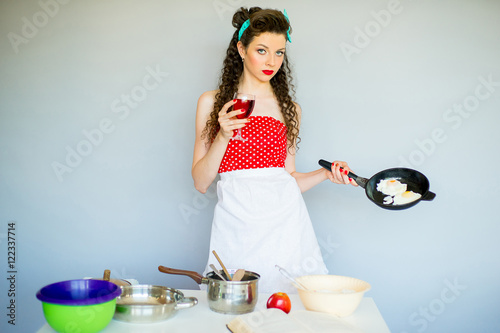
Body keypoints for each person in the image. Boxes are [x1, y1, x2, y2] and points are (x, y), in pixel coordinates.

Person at [192, 7, 358, 293]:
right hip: (237, 224)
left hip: (287, 226)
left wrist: (323, 173)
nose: (272, 61)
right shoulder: (212, 103)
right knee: (237, 306)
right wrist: (223, 136)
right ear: (241, 49)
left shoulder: (290, 110)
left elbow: (287, 178)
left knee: (290, 307)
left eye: (279, 52)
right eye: (262, 50)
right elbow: (200, 182)